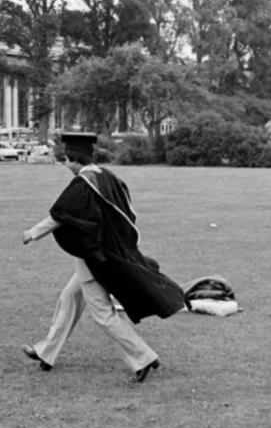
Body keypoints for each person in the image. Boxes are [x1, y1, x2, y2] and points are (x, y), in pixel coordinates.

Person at [20, 132, 187, 382]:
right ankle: (46, 351)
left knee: (102, 314)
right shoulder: (106, 176)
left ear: (73, 159)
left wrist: (32, 234)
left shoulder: (83, 184)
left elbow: (61, 215)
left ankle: (143, 357)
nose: (65, 166)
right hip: (106, 253)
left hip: (95, 258)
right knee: (69, 298)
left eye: (65, 161)